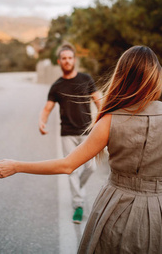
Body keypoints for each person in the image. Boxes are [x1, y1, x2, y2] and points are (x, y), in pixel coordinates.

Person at [0, 45, 162, 254]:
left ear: (123, 77)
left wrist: (17, 166)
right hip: (159, 211)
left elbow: (67, 165)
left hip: (114, 206)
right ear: (156, 77)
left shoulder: (110, 120)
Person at [38, 42, 101, 224]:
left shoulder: (86, 79)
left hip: (87, 132)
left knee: (91, 167)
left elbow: (99, 102)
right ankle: (78, 205)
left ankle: (76, 190)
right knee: (71, 170)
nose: (67, 61)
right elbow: (47, 108)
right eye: (64, 58)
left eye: (70, 58)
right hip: (67, 133)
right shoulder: (57, 86)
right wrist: (41, 121)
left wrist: (103, 121)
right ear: (59, 61)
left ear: (74, 60)